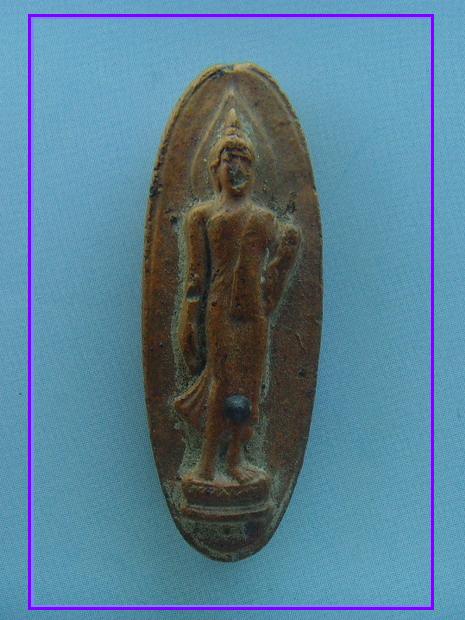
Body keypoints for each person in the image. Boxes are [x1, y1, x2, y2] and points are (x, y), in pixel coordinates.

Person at [175, 108, 300, 483]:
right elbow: (195, 276)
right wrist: (188, 320)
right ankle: (205, 464)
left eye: (244, 160)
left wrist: (278, 273)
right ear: (215, 170)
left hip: (254, 314)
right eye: (229, 160)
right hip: (220, 311)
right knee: (223, 382)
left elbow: (283, 254)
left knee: (249, 385)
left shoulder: (264, 218)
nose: (236, 168)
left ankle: (235, 459)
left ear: (254, 170)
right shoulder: (202, 217)